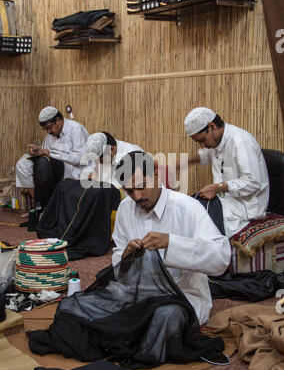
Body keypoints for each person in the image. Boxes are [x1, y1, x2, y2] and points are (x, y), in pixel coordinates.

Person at [111, 151, 231, 326]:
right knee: (93, 309)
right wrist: (125, 257)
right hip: (139, 293)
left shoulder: (187, 207)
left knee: (161, 319)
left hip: (182, 295)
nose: (137, 196)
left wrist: (171, 243)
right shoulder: (125, 208)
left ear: (156, 174)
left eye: (141, 186)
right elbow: (118, 264)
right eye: (129, 191)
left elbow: (221, 258)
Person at [183, 107, 270, 238]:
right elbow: (206, 155)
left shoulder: (240, 141)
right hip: (227, 200)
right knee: (190, 207)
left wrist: (217, 188)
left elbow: (253, 182)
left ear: (212, 126)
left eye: (202, 140)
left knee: (203, 222)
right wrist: (180, 164)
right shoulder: (216, 141)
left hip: (248, 205)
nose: (202, 145)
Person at [15, 106, 90, 211]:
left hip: (74, 169)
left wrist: (51, 155)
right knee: (22, 164)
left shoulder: (75, 129)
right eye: (45, 129)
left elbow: (80, 159)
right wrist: (38, 151)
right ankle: (40, 205)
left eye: (49, 127)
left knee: (42, 164)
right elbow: (47, 154)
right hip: (52, 165)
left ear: (58, 120)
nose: (48, 131)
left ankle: (48, 208)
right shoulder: (50, 135)